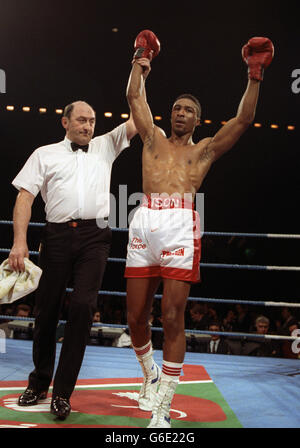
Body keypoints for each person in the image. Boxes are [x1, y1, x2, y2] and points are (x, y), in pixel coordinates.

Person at [125, 30, 274, 428]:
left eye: (187, 109)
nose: (179, 112)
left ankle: (163, 405)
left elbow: (244, 119)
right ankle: (149, 374)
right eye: (175, 107)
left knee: (172, 315)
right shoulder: (152, 138)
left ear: (197, 118)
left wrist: (254, 75)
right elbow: (134, 98)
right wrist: (140, 61)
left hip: (179, 225)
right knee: (135, 317)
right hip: (144, 220)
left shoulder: (204, 150)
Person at [8, 99, 139, 420]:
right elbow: (25, 196)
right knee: (46, 311)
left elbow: (138, 117)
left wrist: (142, 67)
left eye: (92, 120)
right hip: (56, 237)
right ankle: (39, 383)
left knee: (82, 308)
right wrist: (19, 241)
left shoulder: (105, 144)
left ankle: (63, 393)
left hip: (95, 238)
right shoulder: (44, 154)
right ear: (65, 122)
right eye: (81, 120)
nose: (88, 126)